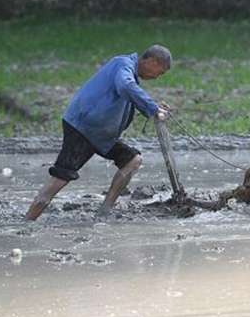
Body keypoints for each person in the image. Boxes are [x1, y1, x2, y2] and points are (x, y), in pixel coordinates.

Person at [25, 45, 172, 221]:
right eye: (160, 72)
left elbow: (127, 92)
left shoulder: (129, 72)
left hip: (100, 136)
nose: (157, 77)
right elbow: (125, 86)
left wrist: (153, 107)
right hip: (83, 127)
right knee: (62, 176)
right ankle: (27, 221)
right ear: (151, 61)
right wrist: (153, 108)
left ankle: (104, 212)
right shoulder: (123, 64)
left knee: (133, 160)